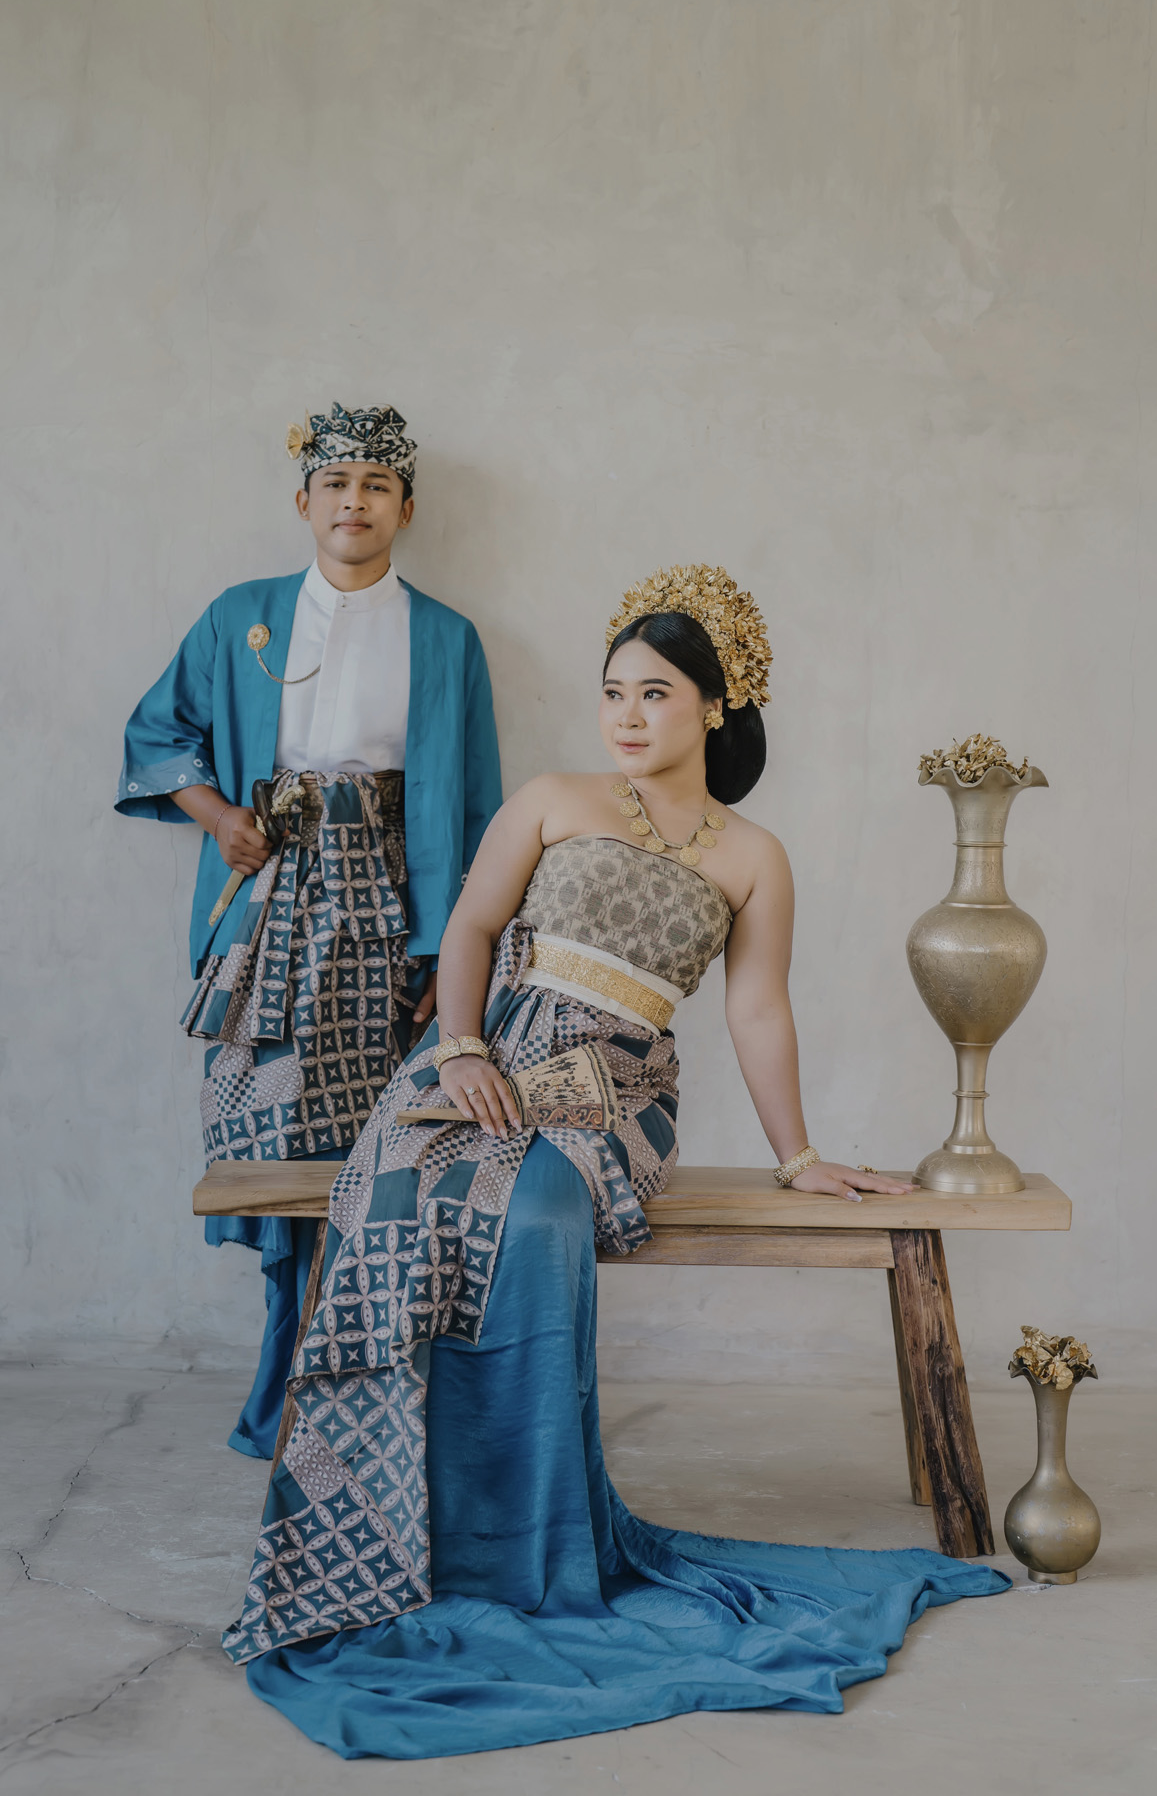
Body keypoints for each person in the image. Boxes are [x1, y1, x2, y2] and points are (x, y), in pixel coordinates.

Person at [220, 565, 1007, 1757]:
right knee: (403, 1197)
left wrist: (799, 1154)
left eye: (655, 693)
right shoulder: (553, 797)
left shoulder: (754, 855)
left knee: (535, 1215)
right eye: (612, 693)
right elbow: (473, 926)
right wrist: (461, 1049)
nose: (627, 716)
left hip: (613, 1094)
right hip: (482, 1057)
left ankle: (519, 1547)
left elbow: (757, 1009)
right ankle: (384, 1539)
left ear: (715, 706)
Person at [116, 403, 502, 1459]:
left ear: (406, 510)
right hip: (271, 900)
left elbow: (477, 806)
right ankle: (285, 1382)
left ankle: (367, 1387)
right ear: (304, 501)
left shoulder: (448, 638)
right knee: (269, 1136)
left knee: (380, 1149)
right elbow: (156, 733)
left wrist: (450, 952)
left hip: (390, 909)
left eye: (378, 485)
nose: (355, 501)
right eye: (337, 484)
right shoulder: (242, 615)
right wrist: (220, 818)